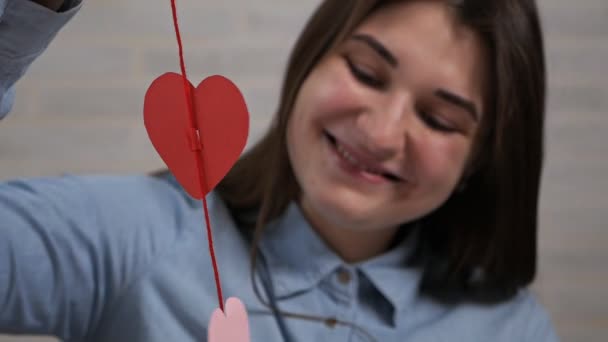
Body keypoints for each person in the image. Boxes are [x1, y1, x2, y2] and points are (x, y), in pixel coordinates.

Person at [0, 0, 559, 341]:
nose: (383, 134)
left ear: (481, 158)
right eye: (366, 72)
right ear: (310, 61)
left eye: (438, 118)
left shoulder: (512, 328)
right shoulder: (131, 235)